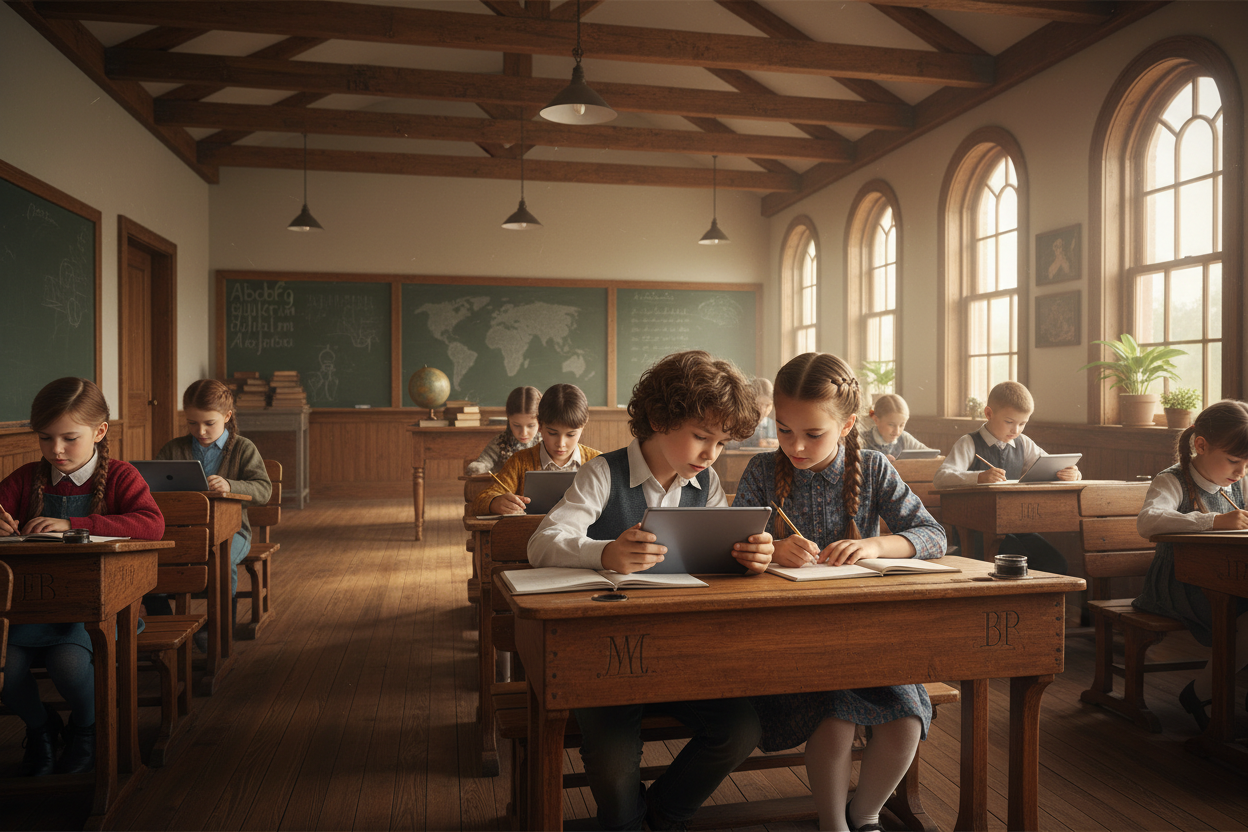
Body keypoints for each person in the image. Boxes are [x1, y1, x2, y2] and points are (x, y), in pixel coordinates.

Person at [527, 350, 774, 831]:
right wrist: (604, 554)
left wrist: (749, 560)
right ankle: (628, 821)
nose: (710, 455)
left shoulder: (706, 486)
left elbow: (716, 564)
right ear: (660, 419)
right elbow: (543, 543)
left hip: (683, 656)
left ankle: (661, 816)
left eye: (721, 444)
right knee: (615, 767)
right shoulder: (602, 473)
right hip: (607, 661)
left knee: (742, 728)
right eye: (702, 437)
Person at [732, 353, 945, 832]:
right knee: (835, 716)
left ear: (848, 425)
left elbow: (933, 535)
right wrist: (767, 551)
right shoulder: (761, 472)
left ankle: (865, 814)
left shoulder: (873, 469)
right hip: (788, 639)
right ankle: (833, 824)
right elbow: (729, 549)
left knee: (908, 715)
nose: (796, 447)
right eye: (785, 430)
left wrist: (876, 543)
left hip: (868, 632)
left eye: (813, 434)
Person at [0, 377, 165, 776]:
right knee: (6, 669)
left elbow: (152, 524)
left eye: (69, 438)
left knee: (69, 664)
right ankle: (41, 728)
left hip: (99, 608)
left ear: (100, 431)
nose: (56, 450)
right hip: (28, 608)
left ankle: (88, 730)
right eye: (45, 438)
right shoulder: (24, 478)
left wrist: (71, 523)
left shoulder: (122, 476)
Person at [1133, 399, 1248, 731]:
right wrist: (1213, 521)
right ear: (1201, 445)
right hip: (1174, 585)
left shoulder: (1237, 483)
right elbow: (1148, 522)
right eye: (1234, 461)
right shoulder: (1173, 480)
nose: (1240, 472)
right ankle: (1200, 694)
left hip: (1223, 580)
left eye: (1246, 464)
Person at [151, 379, 272, 628]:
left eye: (209, 423)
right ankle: (165, 625)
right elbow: (152, 491)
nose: (201, 431)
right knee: (152, 562)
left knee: (222, 561)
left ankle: (219, 629)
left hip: (233, 532)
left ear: (227, 416)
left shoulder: (243, 448)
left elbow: (264, 490)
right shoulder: (173, 449)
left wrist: (231, 485)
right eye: (192, 423)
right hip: (182, 532)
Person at [932, 380, 1078, 573]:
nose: (1015, 430)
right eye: (1009, 422)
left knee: (1055, 564)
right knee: (1015, 566)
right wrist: (979, 477)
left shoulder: (1023, 443)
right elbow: (941, 478)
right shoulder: (969, 443)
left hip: (1017, 527)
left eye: (1022, 423)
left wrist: (1071, 473)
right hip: (975, 531)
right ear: (989, 413)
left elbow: (1050, 464)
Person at [469, 383, 599, 517]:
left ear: (583, 426)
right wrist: (495, 503)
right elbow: (481, 501)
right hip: (529, 536)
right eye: (553, 433)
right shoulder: (519, 462)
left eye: (570, 435)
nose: (561, 444)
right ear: (540, 425)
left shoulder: (599, 462)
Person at [465, 385, 541, 475]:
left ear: (540, 421)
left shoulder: (546, 442)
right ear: (508, 419)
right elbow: (484, 462)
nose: (523, 433)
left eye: (531, 426)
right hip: (504, 488)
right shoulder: (500, 442)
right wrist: (479, 467)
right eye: (516, 425)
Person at [857, 393, 934, 461]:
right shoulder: (862, 439)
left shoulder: (905, 438)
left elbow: (929, 454)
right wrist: (877, 461)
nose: (897, 431)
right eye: (891, 424)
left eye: (901, 425)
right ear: (876, 420)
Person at [741, 376, 778, 448]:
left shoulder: (774, 426)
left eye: (767, 405)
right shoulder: (741, 423)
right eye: (759, 404)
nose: (763, 410)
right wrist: (757, 442)